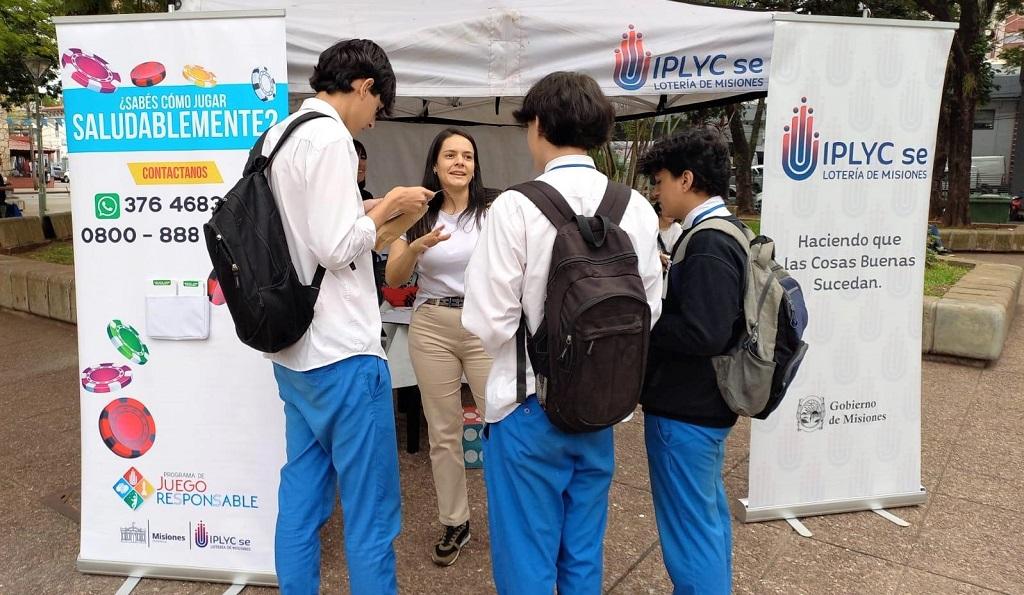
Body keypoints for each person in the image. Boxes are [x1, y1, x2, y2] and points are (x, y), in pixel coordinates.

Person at [462, 72, 663, 593]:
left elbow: (489, 320)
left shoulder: (515, 206)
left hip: (526, 408)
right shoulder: (635, 207)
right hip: (601, 407)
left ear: (540, 125)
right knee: (581, 555)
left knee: (526, 557)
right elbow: (649, 312)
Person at [260, 38, 433, 595]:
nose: (374, 122)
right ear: (363, 87)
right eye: (377, 107)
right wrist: (386, 207)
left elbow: (303, 228)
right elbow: (336, 247)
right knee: (371, 509)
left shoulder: (278, 135)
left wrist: (368, 210)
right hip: (342, 350)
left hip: (293, 350)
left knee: (303, 493)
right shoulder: (333, 136)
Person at [638, 128, 746, 595]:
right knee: (705, 517)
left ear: (686, 179)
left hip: (686, 407)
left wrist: (642, 318)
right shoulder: (729, 230)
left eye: (660, 181)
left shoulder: (706, 242)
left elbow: (704, 332)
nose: (656, 192)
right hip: (705, 406)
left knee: (689, 530)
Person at [385, 127, 494, 567]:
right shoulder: (416, 211)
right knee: (444, 432)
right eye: (450, 155)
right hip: (432, 324)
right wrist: (416, 247)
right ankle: (455, 521)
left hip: (485, 323)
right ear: (434, 163)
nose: (459, 162)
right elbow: (393, 277)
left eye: (467, 155)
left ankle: (512, 517)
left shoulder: (493, 208)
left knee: (501, 425)